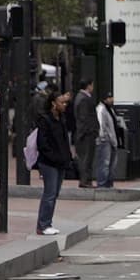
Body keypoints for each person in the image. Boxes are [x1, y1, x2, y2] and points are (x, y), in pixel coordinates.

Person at [35, 90, 72, 236]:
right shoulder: (45, 120)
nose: (64, 105)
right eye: (62, 102)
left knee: (54, 193)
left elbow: (64, 140)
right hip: (48, 162)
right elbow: (43, 143)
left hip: (60, 162)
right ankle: (43, 225)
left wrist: (67, 157)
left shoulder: (61, 119)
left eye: (65, 103)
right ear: (53, 103)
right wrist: (54, 157)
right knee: (49, 193)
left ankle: (47, 223)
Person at [72, 79, 98, 188]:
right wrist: (90, 131)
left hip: (86, 133)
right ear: (88, 86)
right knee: (86, 158)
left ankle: (87, 180)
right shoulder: (83, 99)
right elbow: (84, 118)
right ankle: (85, 180)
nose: (93, 87)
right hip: (86, 134)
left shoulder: (82, 97)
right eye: (92, 85)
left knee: (88, 157)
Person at [95, 93, 119, 189]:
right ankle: (102, 184)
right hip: (105, 141)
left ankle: (109, 183)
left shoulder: (110, 110)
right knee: (104, 163)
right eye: (109, 98)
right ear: (104, 99)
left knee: (111, 164)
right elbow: (101, 125)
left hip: (112, 140)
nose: (111, 99)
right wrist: (103, 138)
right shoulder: (101, 109)